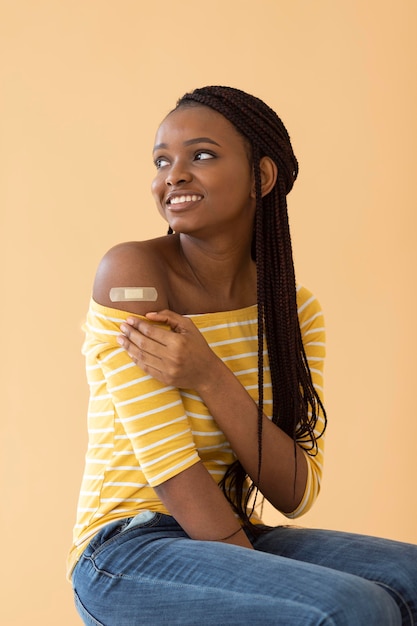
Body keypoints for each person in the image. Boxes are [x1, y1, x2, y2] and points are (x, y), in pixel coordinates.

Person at [68, 85, 417, 625]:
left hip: (231, 532)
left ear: (262, 177)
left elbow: (295, 491)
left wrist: (210, 375)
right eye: (162, 160)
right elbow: (169, 466)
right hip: (125, 551)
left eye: (201, 155)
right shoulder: (132, 276)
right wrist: (266, 584)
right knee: (355, 608)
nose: (173, 175)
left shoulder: (293, 311)